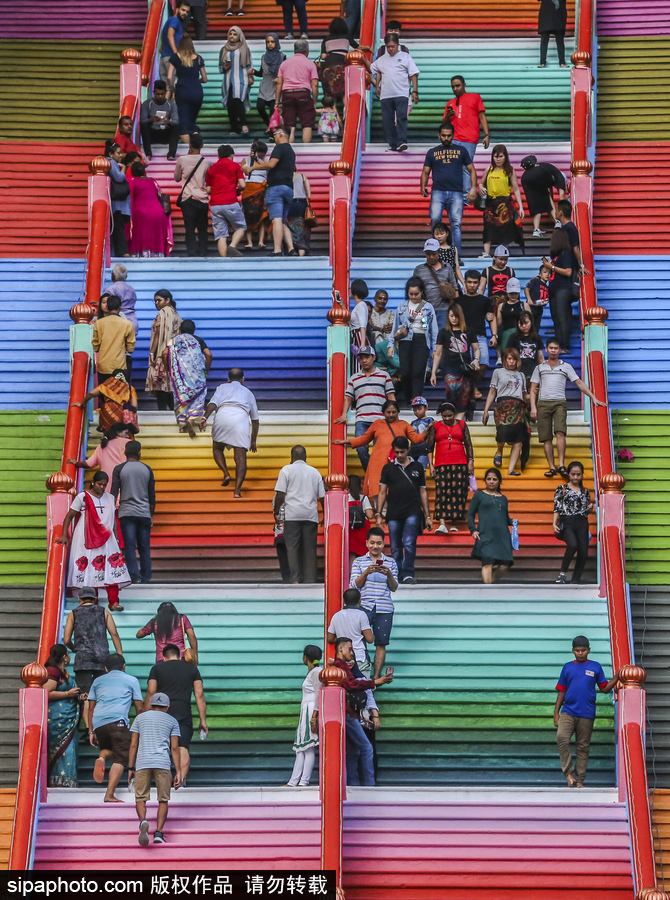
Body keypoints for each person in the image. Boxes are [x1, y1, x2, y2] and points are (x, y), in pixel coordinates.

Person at [57, 471, 130, 612]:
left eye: (104, 485)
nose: (102, 487)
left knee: (111, 568)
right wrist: (64, 535)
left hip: (107, 539)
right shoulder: (82, 497)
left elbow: (113, 520)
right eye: (99, 484)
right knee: (91, 569)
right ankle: (92, 601)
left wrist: (116, 539)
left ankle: (114, 602)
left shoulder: (110, 498)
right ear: (93, 482)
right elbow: (69, 516)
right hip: (86, 539)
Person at [530, 340, 605, 477]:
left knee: (560, 432)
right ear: (546, 350)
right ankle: (552, 467)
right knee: (546, 437)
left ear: (560, 350)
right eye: (551, 348)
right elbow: (533, 388)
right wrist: (533, 407)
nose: (553, 350)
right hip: (543, 403)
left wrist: (593, 397)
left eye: (556, 348)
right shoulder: (539, 367)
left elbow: (579, 382)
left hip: (559, 402)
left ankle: (561, 465)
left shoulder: (566, 366)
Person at [334, 400, 424, 511]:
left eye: (394, 412)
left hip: (397, 461)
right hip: (377, 462)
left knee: (396, 485)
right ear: (383, 412)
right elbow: (363, 439)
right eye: (388, 412)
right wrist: (344, 441)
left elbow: (417, 439)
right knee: (377, 485)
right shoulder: (377, 424)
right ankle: (380, 510)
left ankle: (393, 510)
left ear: (398, 412)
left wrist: (428, 430)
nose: (391, 415)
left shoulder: (404, 424)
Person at [554, 636, 620, 787]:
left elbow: (604, 688)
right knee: (562, 738)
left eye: (583, 650)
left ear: (589, 650)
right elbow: (561, 691)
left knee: (583, 746)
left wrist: (617, 677)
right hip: (568, 711)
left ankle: (579, 780)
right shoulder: (567, 667)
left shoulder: (595, 667)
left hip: (587, 713)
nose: (580, 653)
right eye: (577, 650)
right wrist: (556, 713)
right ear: (573, 651)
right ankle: (569, 773)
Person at [329, 637, 392, 786]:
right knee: (366, 748)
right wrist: (376, 681)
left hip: (350, 714)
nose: (351, 654)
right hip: (349, 715)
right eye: (350, 649)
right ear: (341, 649)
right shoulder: (340, 666)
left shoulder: (341, 666)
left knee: (353, 752)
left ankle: (353, 784)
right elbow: (352, 684)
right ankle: (369, 784)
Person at [146, 644, 207, 786]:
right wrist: (202, 720)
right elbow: (199, 694)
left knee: (161, 748)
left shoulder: (156, 668)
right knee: (182, 747)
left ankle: (162, 781)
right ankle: (182, 780)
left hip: (162, 712)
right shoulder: (192, 669)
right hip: (183, 712)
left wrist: (146, 713)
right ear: (179, 656)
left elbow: (150, 692)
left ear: (163, 657)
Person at [87, 653, 143, 803]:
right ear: (124, 666)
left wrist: (91, 730)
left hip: (99, 723)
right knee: (121, 757)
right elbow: (139, 707)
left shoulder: (97, 681)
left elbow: (90, 708)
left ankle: (102, 757)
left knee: (110, 749)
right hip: (118, 722)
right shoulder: (132, 680)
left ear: (106, 668)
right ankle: (109, 794)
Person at [128, 692, 182, 846]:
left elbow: (133, 744)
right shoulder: (172, 721)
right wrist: (178, 771)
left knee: (140, 797)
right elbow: (175, 748)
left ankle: (143, 821)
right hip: (162, 763)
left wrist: (131, 767)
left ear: (151, 705)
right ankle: (158, 832)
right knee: (163, 800)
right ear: (167, 706)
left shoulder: (140, 718)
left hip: (143, 762)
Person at [378, 436, 432, 584]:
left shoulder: (418, 467)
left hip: (412, 510)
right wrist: (378, 514)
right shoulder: (388, 468)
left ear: (408, 450)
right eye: (397, 452)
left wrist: (427, 516)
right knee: (395, 546)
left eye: (402, 452)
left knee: (409, 543)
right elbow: (382, 492)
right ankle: (396, 573)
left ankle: (407, 573)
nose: (400, 455)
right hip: (394, 512)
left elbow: (423, 492)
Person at [335, 345, 396, 471]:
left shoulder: (384, 375)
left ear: (373, 357)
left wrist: (394, 417)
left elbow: (391, 397)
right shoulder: (354, 378)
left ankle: (377, 477)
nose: (364, 360)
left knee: (381, 450)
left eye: (367, 357)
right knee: (361, 449)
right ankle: (371, 474)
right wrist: (343, 415)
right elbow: (348, 398)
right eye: (361, 357)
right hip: (362, 419)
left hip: (380, 419)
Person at [421, 122, 477, 255]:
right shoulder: (432, 152)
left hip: (456, 192)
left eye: (449, 136)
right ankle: (435, 253)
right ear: (439, 135)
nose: (446, 138)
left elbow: (472, 170)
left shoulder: (461, 150)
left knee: (456, 224)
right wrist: (423, 185)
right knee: (435, 219)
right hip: (438, 192)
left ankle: (456, 255)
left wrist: (473, 188)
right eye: (444, 135)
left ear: (453, 135)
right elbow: (425, 171)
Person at [349, 528, 398, 679]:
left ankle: (376, 678)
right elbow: (354, 585)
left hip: (384, 607)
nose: (375, 546)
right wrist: (366, 572)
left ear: (384, 544)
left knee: (381, 643)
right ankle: (364, 675)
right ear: (366, 543)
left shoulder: (391, 562)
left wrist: (388, 573)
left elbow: (394, 587)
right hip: (364, 607)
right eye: (372, 543)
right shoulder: (359, 561)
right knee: (358, 641)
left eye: (378, 543)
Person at [201, 368, 259, 496]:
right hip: (240, 420)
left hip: (223, 416)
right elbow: (255, 420)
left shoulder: (222, 387)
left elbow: (213, 404)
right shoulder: (248, 393)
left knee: (217, 448)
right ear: (243, 380)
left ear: (228, 379)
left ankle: (226, 473)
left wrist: (205, 417)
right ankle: (237, 491)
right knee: (241, 458)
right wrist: (253, 440)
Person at [62, 588, 123, 708]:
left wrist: (75, 648)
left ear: (79, 598)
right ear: (95, 598)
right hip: (102, 658)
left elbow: (66, 640)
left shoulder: (73, 613)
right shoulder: (104, 611)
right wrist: (119, 654)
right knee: (101, 693)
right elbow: (114, 633)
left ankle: (86, 724)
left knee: (85, 695)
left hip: (83, 660)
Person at [273, 445, 325, 583]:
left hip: (292, 515)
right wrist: (326, 514)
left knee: (292, 548)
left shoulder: (286, 470)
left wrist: (276, 512)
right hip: (310, 515)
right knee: (309, 550)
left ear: (292, 457)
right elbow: (322, 497)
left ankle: (295, 579)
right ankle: (310, 580)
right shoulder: (315, 472)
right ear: (305, 457)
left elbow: (280, 494)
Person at [425, 401, 474, 534]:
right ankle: (442, 523)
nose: (447, 418)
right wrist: (431, 465)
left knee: (458, 492)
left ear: (454, 414)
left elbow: (468, 444)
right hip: (441, 464)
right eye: (444, 416)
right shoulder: (436, 426)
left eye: (450, 415)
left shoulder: (462, 424)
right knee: (442, 492)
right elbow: (429, 447)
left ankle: (453, 523)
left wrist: (471, 461)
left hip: (460, 463)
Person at [389, 277, 438, 408]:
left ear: (422, 292)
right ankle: (409, 397)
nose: (414, 296)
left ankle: (416, 399)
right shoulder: (402, 306)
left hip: (421, 340)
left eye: (416, 294)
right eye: (411, 294)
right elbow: (395, 328)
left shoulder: (428, 307)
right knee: (405, 372)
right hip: (406, 341)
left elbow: (434, 329)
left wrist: (435, 348)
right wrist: (391, 345)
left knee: (418, 371)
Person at [111, 441, 155, 584]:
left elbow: (113, 492)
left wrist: (110, 513)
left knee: (129, 546)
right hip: (144, 513)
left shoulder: (119, 469)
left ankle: (134, 576)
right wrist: (151, 515)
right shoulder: (147, 469)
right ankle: (146, 576)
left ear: (125, 453)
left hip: (126, 513)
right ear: (139, 453)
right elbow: (151, 496)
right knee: (144, 547)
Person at [482, 348, 529, 477]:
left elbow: (524, 394)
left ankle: (511, 469)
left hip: (518, 406)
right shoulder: (498, 372)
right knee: (502, 432)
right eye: (509, 359)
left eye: (514, 359)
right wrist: (486, 410)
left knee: (519, 439)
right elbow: (492, 392)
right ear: (505, 359)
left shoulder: (521, 375)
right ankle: (499, 451)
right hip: (502, 405)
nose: (512, 362)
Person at [369, 34, 419, 153]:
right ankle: (393, 145)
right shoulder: (381, 60)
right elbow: (373, 70)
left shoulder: (405, 57)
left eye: (393, 46)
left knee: (401, 118)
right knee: (388, 121)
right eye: (388, 47)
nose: (391, 49)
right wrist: (377, 86)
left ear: (398, 45)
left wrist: (415, 91)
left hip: (402, 93)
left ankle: (402, 142)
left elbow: (413, 74)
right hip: (385, 95)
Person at [251, 125, 297, 255]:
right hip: (288, 188)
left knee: (276, 219)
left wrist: (252, 168)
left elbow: (271, 165)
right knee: (282, 221)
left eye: (275, 133)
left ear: (281, 134)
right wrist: (259, 162)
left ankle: (277, 250)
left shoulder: (279, 148)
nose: (274, 136)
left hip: (276, 188)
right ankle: (291, 248)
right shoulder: (290, 151)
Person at [443, 76, 490, 199]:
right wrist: (448, 115)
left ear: (464, 85)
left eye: (458, 85)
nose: (455, 89)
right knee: (452, 166)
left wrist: (486, 135)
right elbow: (444, 124)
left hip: (470, 139)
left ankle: (466, 197)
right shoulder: (450, 103)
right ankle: (455, 194)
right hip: (454, 139)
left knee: (465, 167)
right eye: (453, 86)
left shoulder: (475, 97)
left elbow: (482, 116)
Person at [163, 319, 211, 437]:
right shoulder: (197, 340)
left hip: (180, 374)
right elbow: (209, 355)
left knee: (181, 396)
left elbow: (164, 353)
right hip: (197, 374)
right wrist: (207, 369)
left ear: (180, 330)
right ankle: (192, 418)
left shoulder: (173, 341)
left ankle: (182, 426)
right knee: (199, 394)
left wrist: (168, 369)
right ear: (193, 330)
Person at [430, 304, 480, 417]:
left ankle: (459, 422)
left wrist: (476, 360)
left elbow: (476, 349)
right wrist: (433, 372)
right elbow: (438, 354)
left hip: (465, 367)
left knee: (465, 393)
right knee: (452, 389)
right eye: (451, 316)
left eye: (456, 316)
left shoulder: (469, 331)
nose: (453, 319)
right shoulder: (443, 332)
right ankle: (453, 417)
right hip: (449, 367)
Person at [467, 467, 514, 583]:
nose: (491, 481)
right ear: (485, 481)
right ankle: (488, 590)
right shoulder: (479, 495)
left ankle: (491, 582)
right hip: (485, 534)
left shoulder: (503, 498)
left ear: (499, 481)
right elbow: (470, 514)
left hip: (502, 536)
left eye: (494, 479)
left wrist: (513, 522)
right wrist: (473, 530)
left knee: (506, 564)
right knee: (487, 562)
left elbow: (505, 517)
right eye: (489, 479)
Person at [478, 145, 525, 257]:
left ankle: (503, 253)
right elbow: (481, 183)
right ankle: (486, 253)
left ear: (505, 157)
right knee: (488, 227)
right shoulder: (488, 170)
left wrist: (521, 207)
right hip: (490, 204)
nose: (498, 159)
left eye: (500, 156)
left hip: (505, 204)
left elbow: (516, 189)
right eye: (495, 156)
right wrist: (480, 187)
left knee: (505, 229)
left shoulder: (509, 171)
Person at [286, 645, 322, 786]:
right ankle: (293, 781)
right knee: (301, 748)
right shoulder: (315, 672)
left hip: (311, 710)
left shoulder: (316, 673)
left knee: (308, 748)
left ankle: (303, 781)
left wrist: (314, 718)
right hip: (306, 710)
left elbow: (319, 695)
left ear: (305, 658)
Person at [44, 644, 80, 787]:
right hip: (57, 718)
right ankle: (58, 782)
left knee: (69, 749)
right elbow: (46, 693)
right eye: (68, 654)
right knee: (63, 750)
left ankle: (66, 781)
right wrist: (67, 694)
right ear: (64, 657)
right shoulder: (52, 671)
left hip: (67, 718)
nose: (70, 657)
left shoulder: (62, 672)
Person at [553, 461, 594, 584]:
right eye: (573, 474)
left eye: (578, 474)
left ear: (582, 475)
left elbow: (586, 511)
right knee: (572, 545)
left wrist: (590, 509)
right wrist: (554, 523)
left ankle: (576, 579)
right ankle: (562, 573)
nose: (575, 477)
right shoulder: (562, 488)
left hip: (582, 522)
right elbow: (557, 507)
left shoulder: (585, 491)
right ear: (569, 474)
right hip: (567, 522)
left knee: (583, 552)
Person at [67, 422, 139, 491]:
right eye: (126, 433)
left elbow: (89, 464)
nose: (127, 436)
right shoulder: (128, 443)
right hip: (125, 486)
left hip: (106, 486)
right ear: (119, 433)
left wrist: (76, 463)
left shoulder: (102, 446)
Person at [205, 144, 246, 258]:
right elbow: (243, 185)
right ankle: (232, 246)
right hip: (230, 202)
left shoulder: (212, 169)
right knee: (241, 227)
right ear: (232, 155)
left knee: (221, 235)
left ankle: (224, 262)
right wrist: (237, 190)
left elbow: (208, 190)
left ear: (218, 156)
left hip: (215, 205)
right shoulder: (235, 166)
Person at [174, 132, 212, 257]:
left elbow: (177, 178)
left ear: (189, 144)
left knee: (189, 228)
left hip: (187, 198)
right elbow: (209, 180)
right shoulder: (207, 162)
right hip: (202, 198)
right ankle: (202, 251)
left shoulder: (182, 160)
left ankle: (191, 251)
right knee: (202, 228)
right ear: (202, 145)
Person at [459, 269, 497, 392]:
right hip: (462, 337)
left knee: (483, 364)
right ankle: (472, 389)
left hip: (480, 336)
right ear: (464, 282)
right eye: (469, 282)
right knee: (465, 365)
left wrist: (494, 335)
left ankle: (472, 386)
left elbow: (492, 318)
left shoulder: (484, 301)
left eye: (475, 282)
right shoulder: (459, 301)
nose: (472, 285)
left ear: (479, 283)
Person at [276, 39, 319, 144]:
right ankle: (307, 149)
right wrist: (314, 101)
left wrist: (277, 101)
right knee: (307, 124)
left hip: (287, 94)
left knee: (290, 125)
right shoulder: (310, 64)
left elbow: (279, 83)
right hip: (303, 93)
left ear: (294, 50)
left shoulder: (284, 64)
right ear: (307, 51)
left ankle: (289, 149)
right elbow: (315, 84)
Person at [146, 289, 182, 410]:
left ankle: (162, 412)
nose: (156, 303)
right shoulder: (176, 314)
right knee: (170, 386)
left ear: (168, 300)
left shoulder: (164, 312)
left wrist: (152, 353)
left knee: (161, 385)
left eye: (159, 300)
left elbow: (158, 335)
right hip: (174, 354)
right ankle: (173, 412)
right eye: (155, 300)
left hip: (163, 353)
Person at [167, 36, 207, 142]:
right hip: (197, 92)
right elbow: (205, 79)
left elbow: (169, 77)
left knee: (184, 123)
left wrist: (173, 91)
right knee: (192, 122)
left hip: (182, 91)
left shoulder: (175, 57)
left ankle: (189, 150)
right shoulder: (198, 58)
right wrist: (196, 80)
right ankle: (196, 146)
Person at [414, 237, 458, 332]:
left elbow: (455, 288)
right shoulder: (419, 270)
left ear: (439, 252)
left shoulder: (447, 267)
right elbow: (414, 290)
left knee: (442, 337)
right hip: (425, 309)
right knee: (425, 337)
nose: (431, 257)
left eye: (434, 254)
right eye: (428, 254)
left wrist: (455, 309)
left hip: (444, 309)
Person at [73, 370, 138, 435]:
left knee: (108, 434)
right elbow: (134, 405)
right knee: (122, 434)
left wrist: (83, 403)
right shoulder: (130, 388)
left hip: (107, 411)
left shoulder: (106, 386)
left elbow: (91, 393)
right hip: (123, 413)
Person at [128, 163, 173, 258]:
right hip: (158, 212)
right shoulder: (153, 181)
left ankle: (142, 255)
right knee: (155, 235)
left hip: (141, 213)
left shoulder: (131, 181)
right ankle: (158, 255)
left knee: (143, 235)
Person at [327, 589, 374, 674]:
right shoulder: (361, 615)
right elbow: (370, 639)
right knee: (362, 685)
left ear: (344, 600)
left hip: (342, 659)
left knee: (345, 685)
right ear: (359, 600)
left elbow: (330, 638)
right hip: (359, 657)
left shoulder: (336, 616)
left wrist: (343, 638)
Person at [91, 295, 135, 385]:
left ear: (108, 306)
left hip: (103, 366)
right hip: (119, 365)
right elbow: (130, 348)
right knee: (120, 394)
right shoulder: (127, 324)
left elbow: (95, 346)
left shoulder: (99, 323)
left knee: (104, 393)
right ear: (120, 306)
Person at [544, 228, 576, 352]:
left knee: (562, 318)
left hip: (563, 288)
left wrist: (551, 266)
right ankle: (559, 345)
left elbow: (568, 272)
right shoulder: (557, 256)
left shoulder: (566, 254)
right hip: (554, 289)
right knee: (556, 318)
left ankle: (565, 345)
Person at [219, 26, 254, 137]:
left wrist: (251, 76)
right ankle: (234, 127)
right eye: (230, 34)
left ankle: (244, 125)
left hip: (241, 78)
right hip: (228, 80)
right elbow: (220, 66)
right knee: (230, 103)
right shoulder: (224, 49)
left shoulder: (244, 48)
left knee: (238, 99)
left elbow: (249, 64)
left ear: (239, 35)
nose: (232, 36)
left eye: (234, 34)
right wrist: (224, 67)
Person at [520, 155, 567, 236]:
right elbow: (561, 196)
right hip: (540, 175)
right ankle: (557, 221)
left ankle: (536, 229)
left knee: (535, 203)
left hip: (525, 179)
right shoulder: (559, 178)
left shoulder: (545, 167)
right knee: (547, 198)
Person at [318, 18, 356, 105]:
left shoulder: (326, 39)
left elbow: (323, 56)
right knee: (344, 91)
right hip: (342, 64)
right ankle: (347, 111)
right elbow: (358, 47)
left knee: (331, 92)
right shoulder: (346, 38)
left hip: (329, 65)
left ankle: (334, 113)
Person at [140, 80, 180, 161]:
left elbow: (176, 121)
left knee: (176, 126)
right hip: (152, 133)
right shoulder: (147, 104)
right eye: (158, 94)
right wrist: (151, 119)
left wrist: (168, 121)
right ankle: (148, 153)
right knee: (144, 125)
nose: (160, 96)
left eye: (162, 94)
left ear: (165, 93)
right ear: (154, 92)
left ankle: (171, 154)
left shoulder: (171, 105)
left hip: (165, 133)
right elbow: (142, 121)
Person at [241, 140, 269, 248]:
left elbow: (269, 169)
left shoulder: (267, 161)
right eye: (260, 152)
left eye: (263, 153)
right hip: (249, 189)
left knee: (262, 215)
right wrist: (253, 160)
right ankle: (249, 242)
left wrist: (260, 160)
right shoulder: (246, 160)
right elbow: (246, 170)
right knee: (247, 215)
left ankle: (261, 241)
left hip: (261, 190)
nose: (262, 155)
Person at [104, 141, 131, 258]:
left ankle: (117, 252)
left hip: (114, 200)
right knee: (119, 226)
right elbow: (119, 178)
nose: (120, 155)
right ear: (111, 153)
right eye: (118, 153)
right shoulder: (111, 162)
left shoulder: (107, 162)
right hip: (117, 203)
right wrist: (124, 169)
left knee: (116, 227)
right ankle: (123, 252)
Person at [256, 34, 285, 131]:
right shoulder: (264, 57)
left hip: (275, 86)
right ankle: (269, 126)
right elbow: (262, 72)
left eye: (272, 42)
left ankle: (272, 131)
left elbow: (285, 72)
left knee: (273, 110)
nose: (270, 44)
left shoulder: (282, 57)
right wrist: (253, 72)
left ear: (276, 42)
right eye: (268, 42)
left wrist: (280, 78)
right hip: (265, 86)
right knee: (259, 106)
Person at [507, 311, 545, 381]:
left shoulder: (537, 337)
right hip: (518, 370)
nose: (524, 326)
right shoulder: (513, 337)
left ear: (531, 322)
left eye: (526, 323)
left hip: (534, 370)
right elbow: (508, 356)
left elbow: (540, 357)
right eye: (521, 324)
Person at [102, 264, 138, 337]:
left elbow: (108, 305)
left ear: (113, 275)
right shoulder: (131, 289)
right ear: (126, 276)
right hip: (132, 321)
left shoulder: (110, 289)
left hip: (117, 322)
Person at [346, 475, 375, 563]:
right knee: (363, 555)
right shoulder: (363, 498)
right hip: (362, 529)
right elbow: (370, 515)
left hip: (350, 529)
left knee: (351, 555)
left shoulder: (345, 498)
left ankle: (352, 575)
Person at [159, 1, 191, 83]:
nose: (185, 13)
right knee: (174, 88)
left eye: (187, 11)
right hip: (171, 59)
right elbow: (170, 36)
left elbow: (160, 48)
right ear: (177, 10)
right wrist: (176, 54)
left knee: (166, 89)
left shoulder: (169, 21)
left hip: (163, 59)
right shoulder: (175, 20)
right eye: (183, 10)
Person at [369, 289, 398, 377]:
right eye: (379, 298)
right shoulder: (370, 311)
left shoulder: (390, 313)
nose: (382, 301)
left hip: (387, 341)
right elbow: (369, 325)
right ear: (375, 299)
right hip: (375, 343)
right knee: (377, 334)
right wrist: (379, 329)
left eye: (384, 299)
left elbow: (392, 326)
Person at [497, 278, 531, 350]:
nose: (513, 295)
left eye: (515, 293)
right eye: (511, 293)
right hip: (506, 332)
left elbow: (530, 322)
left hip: (521, 333)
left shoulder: (524, 305)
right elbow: (499, 324)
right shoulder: (502, 306)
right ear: (507, 292)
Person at [555, 200, 587, 274]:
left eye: (556, 210)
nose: (555, 212)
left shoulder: (570, 228)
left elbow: (575, 248)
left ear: (560, 213)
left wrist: (581, 265)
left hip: (569, 266)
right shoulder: (564, 227)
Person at [287, 167, 313, 256]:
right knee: (303, 229)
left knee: (290, 227)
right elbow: (309, 195)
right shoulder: (302, 176)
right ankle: (302, 251)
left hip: (290, 205)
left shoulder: (285, 177)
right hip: (301, 205)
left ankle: (291, 249)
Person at [433, 222, 464, 289]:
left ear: (447, 233)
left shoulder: (453, 249)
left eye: (442, 234)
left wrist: (463, 283)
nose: (439, 236)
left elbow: (457, 267)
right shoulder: (434, 250)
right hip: (438, 281)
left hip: (452, 280)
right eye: (436, 234)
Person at [538, 0, 568, 68]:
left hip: (558, 16)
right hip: (547, 16)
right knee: (545, 41)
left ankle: (562, 62)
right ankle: (543, 62)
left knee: (559, 41)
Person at [524, 264, 552, 333]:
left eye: (549, 273)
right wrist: (529, 299)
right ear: (540, 274)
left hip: (539, 309)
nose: (547, 274)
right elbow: (527, 289)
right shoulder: (535, 281)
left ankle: (534, 339)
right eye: (545, 272)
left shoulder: (548, 287)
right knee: (530, 324)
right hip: (531, 307)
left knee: (536, 326)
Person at [409, 396, 433, 471]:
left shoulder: (429, 420)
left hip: (424, 450)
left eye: (419, 409)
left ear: (426, 408)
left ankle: (421, 482)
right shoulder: (413, 422)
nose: (417, 412)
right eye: (415, 410)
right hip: (413, 449)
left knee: (421, 468)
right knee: (411, 468)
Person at [349, 278, 370, 350]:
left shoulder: (361, 305)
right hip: (356, 337)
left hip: (359, 338)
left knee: (359, 360)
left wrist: (362, 346)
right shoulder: (359, 305)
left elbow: (362, 326)